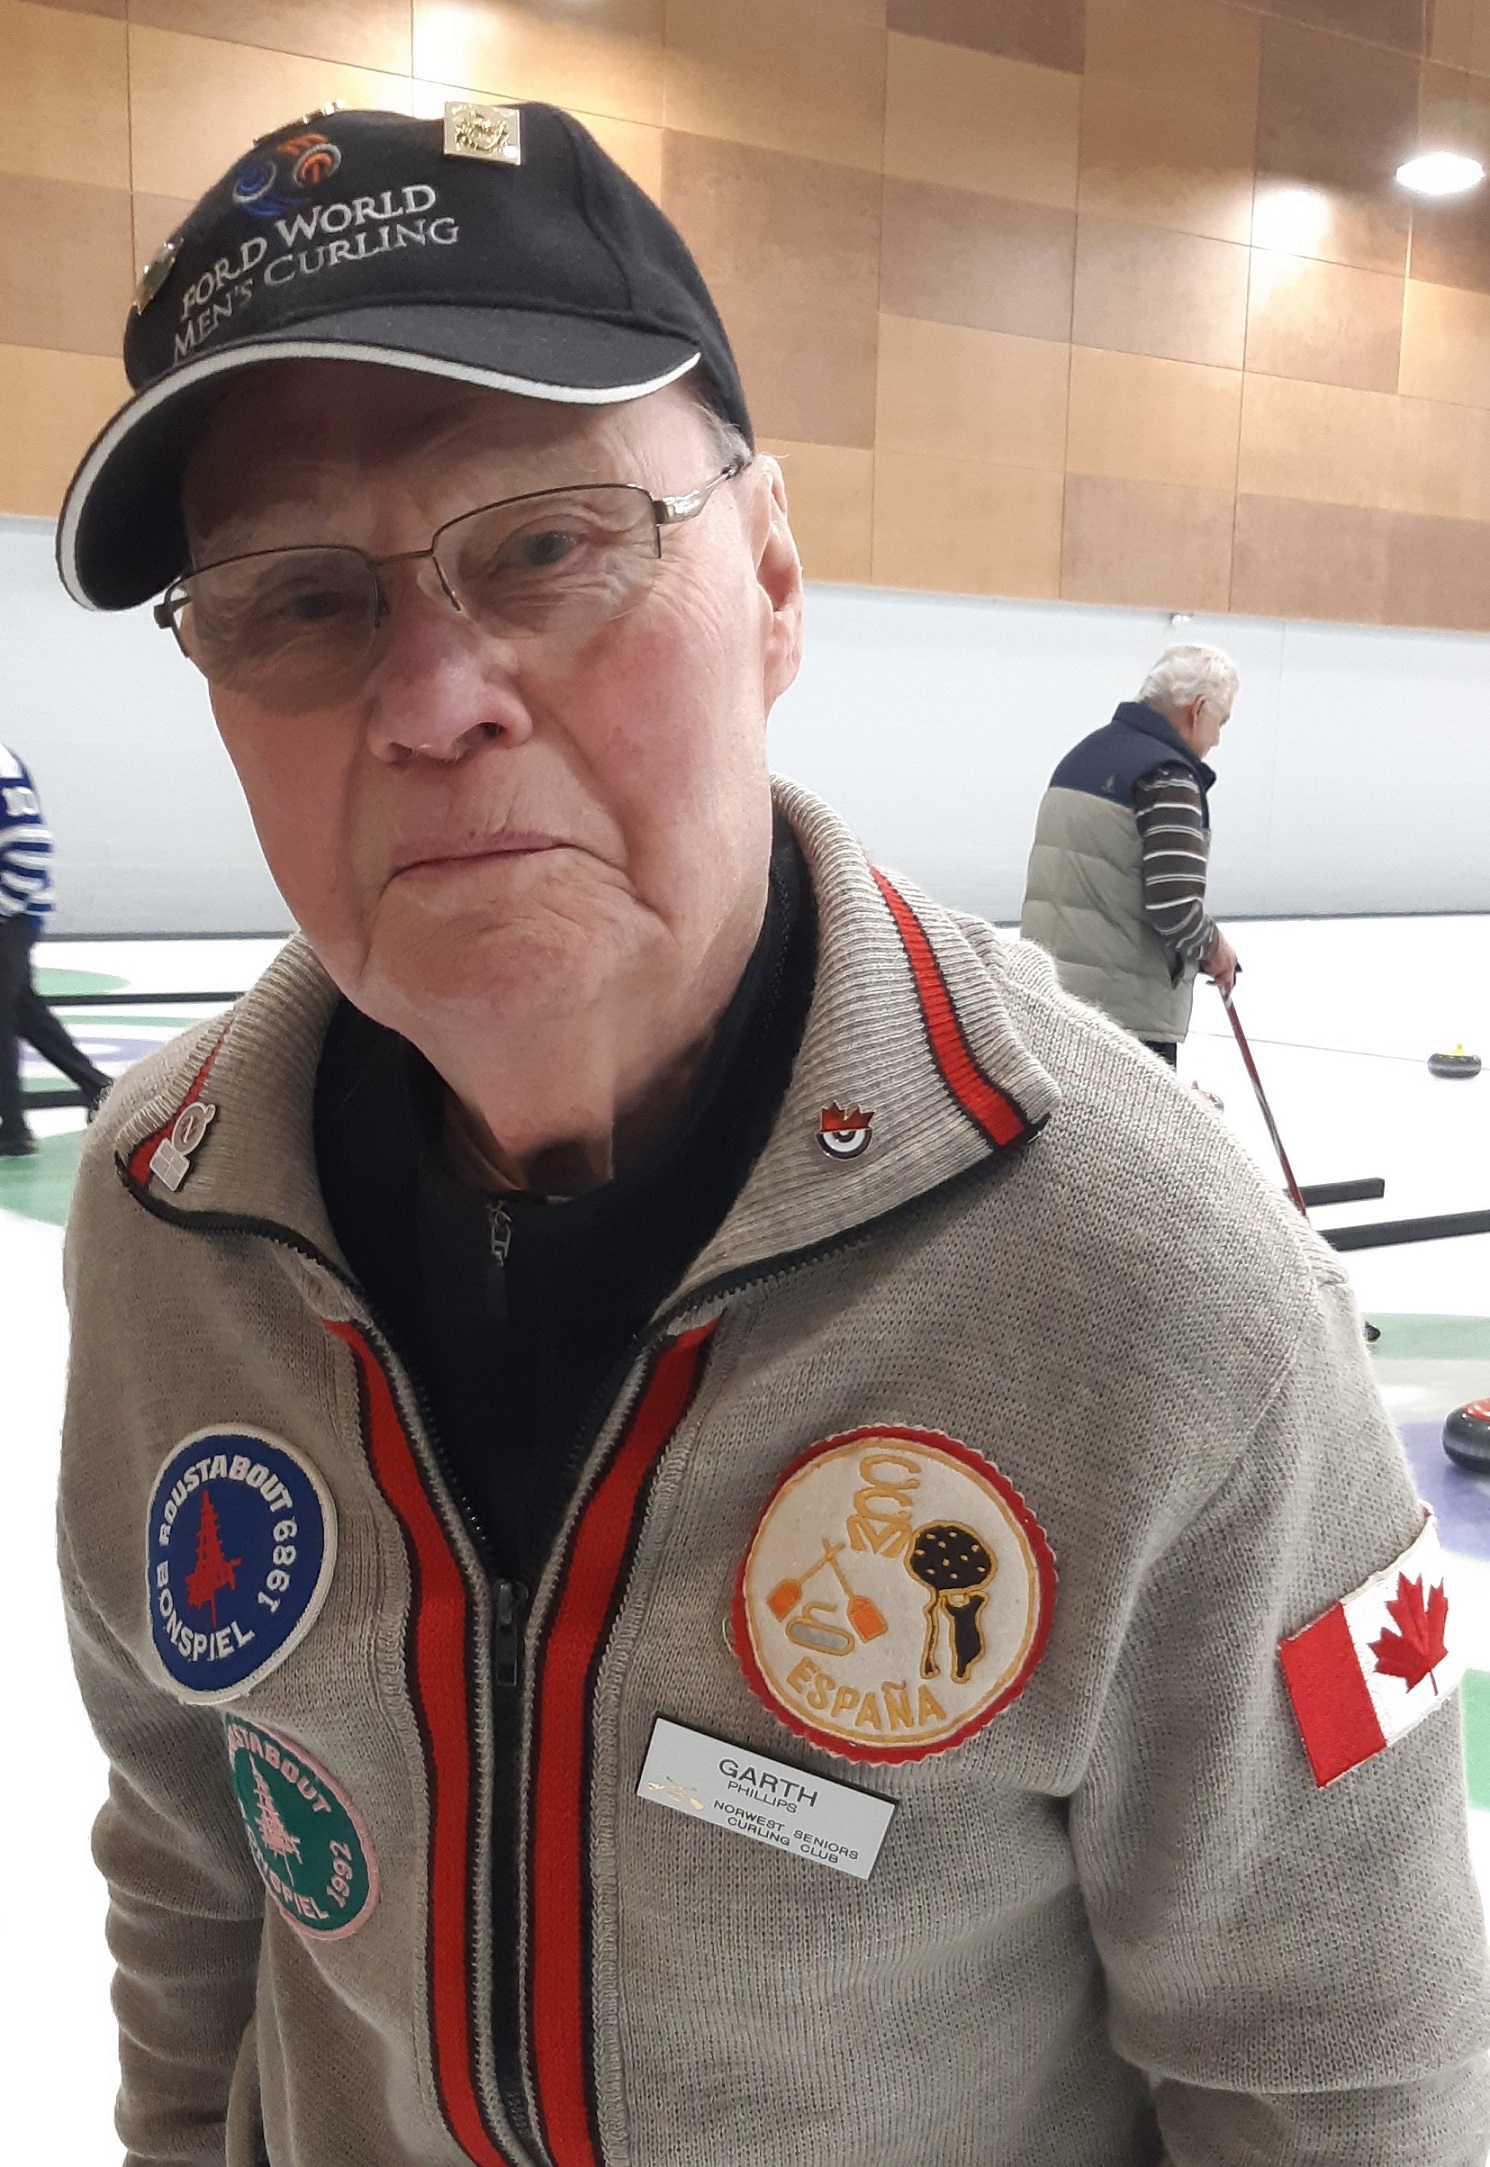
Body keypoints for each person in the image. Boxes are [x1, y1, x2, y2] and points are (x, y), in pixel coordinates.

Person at [54, 104, 1489, 2167]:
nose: (436, 695)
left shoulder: (1150, 1291)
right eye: (296, 596)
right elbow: (191, 1861)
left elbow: (1336, 2077)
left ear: (776, 582)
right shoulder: (166, 1214)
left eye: (546, 541)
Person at [1020, 644, 1240, 1067]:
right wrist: (1216, 949)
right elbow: (1175, 909)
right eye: (1221, 722)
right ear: (1198, 709)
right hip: (1123, 1020)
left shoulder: (1079, 757)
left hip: (1047, 1001)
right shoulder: (1168, 777)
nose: (1216, 739)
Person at [0, 740, 110, 1155]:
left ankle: (13, 1128)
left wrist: (3, 907)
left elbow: (30, 846)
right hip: (14, 907)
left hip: (12, 911)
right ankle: (100, 1091)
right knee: (25, 1011)